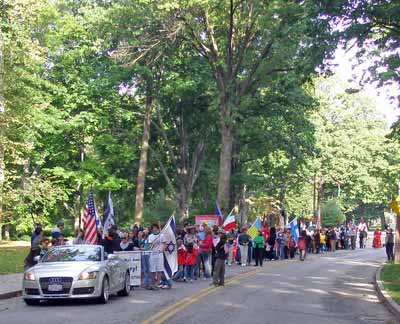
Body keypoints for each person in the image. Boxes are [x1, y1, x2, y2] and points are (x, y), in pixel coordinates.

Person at [148, 223, 166, 290]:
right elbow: (150, 246)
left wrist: (162, 249)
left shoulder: (162, 235)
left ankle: (158, 283)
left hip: (160, 254)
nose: (155, 229)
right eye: (153, 228)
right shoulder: (150, 236)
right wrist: (154, 242)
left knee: (159, 270)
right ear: (152, 229)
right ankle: (152, 283)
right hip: (153, 254)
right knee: (152, 270)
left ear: (158, 229)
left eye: (156, 228)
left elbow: (164, 244)